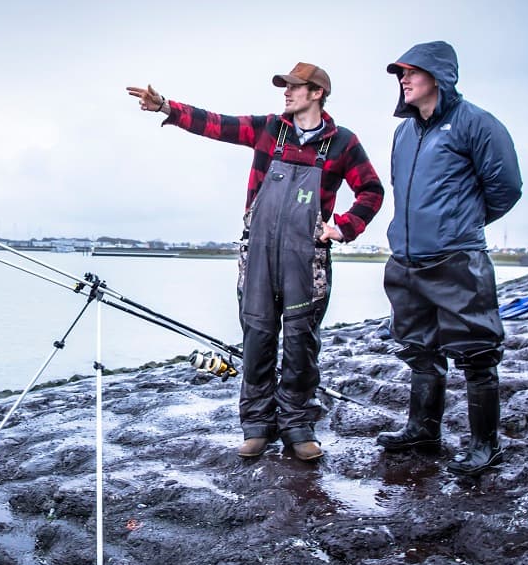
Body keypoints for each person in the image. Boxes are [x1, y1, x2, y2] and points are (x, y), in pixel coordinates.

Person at [126, 64, 383, 461]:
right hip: (258, 253)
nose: (286, 93)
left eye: (295, 87)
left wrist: (343, 228)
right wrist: (165, 107)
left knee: (301, 344)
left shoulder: (342, 143)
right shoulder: (269, 129)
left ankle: (298, 426)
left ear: (317, 93)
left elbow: (371, 190)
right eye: (286, 87)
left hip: (306, 258)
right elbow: (217, 124)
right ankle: (257, 426)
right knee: (258, 340)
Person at [376, 41, 522, 476]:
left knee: (477, 351)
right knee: (418, 348)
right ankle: (423, 428)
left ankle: (485, 444)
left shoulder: (476, 123)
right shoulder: (404, 132)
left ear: (438, 76)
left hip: (457, 258)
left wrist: (462, 225)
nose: (403, 79)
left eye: (411, 72)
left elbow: (506, 187)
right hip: (405, 259)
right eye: (399, 73)